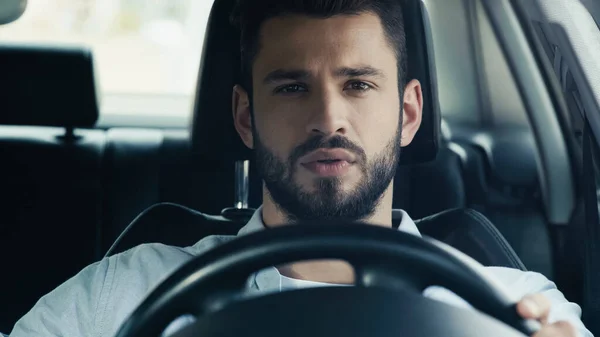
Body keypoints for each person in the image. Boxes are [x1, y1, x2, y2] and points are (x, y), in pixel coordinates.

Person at [7, 0, 593, 336]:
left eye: (359, 84)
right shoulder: (120, 297)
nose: (327, 117)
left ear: (409, 112)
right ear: (244, 115)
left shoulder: (511, 310)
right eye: (291, 87)